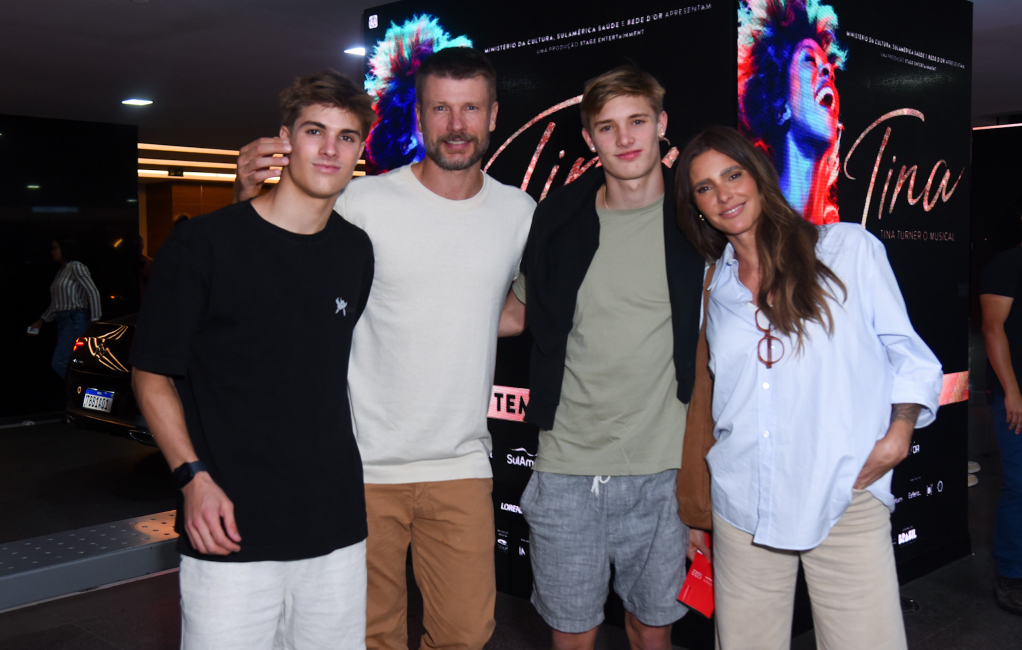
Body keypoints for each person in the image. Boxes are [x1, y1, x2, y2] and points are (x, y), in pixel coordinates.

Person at [233, 47, 535, 650]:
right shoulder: (362, 203)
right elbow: (278, 275)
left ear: (493, 115)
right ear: (419, 117)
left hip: (460, 465)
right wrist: (245, 195)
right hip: (362, 465)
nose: (456, 124)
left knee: (467, 634)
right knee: (371, 636)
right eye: (440, 109)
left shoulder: (518, 211)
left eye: (471, 108)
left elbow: (512, 311)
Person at [130, 70, 376, 649]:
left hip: (334, 526)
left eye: (346, 137)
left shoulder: (355, 251)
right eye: (314, 131)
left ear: (359, 152)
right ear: (284, 140)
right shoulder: (203, 244)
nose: (330, 149)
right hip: (228, 524)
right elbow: (151, 373)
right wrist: (191, 477)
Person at [676, 126, 942, 649]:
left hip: (844, 491)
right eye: (705, 187)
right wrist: (694, 509)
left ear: (759, 177)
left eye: (733, 175)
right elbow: (707, 400)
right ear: (696, 207)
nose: (724, 195)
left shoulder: (847, 250)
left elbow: (909, 355)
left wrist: (899, 434)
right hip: (743, 502)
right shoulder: (713, 285)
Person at [505, 65, 707, 650]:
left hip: (665, 469)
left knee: (652, 630)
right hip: (568, 466)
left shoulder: (700, 222)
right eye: (607, 126)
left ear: (662, 124)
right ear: (589, 137)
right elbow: (517, 313)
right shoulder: (558, 220)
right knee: (572, 635)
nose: (625, 138)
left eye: (637, 121)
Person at [738, 0, 846, 224]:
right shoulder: (752, 227)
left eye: (830, 71)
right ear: (781, 106)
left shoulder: (850, 239)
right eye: (809, 60)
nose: (827, 70)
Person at [978, 190, 1022, 617]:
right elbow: (993, 329)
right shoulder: (1007, 263)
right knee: (1020, 486)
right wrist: (1011, 391)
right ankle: (1010, 575)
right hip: (1018, 397)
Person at [28, 238, 102, 378]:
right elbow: (57, 302)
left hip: (75, 319)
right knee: (68, 362)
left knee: (60, 362)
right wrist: (42, 320)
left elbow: (92, 291)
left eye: (55, 248)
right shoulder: (61, 271)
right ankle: (76, 387)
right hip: (63, 321)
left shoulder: (76, 267)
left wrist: (95, 319)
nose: (52, 252)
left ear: (65, 249)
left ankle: (78, 387)